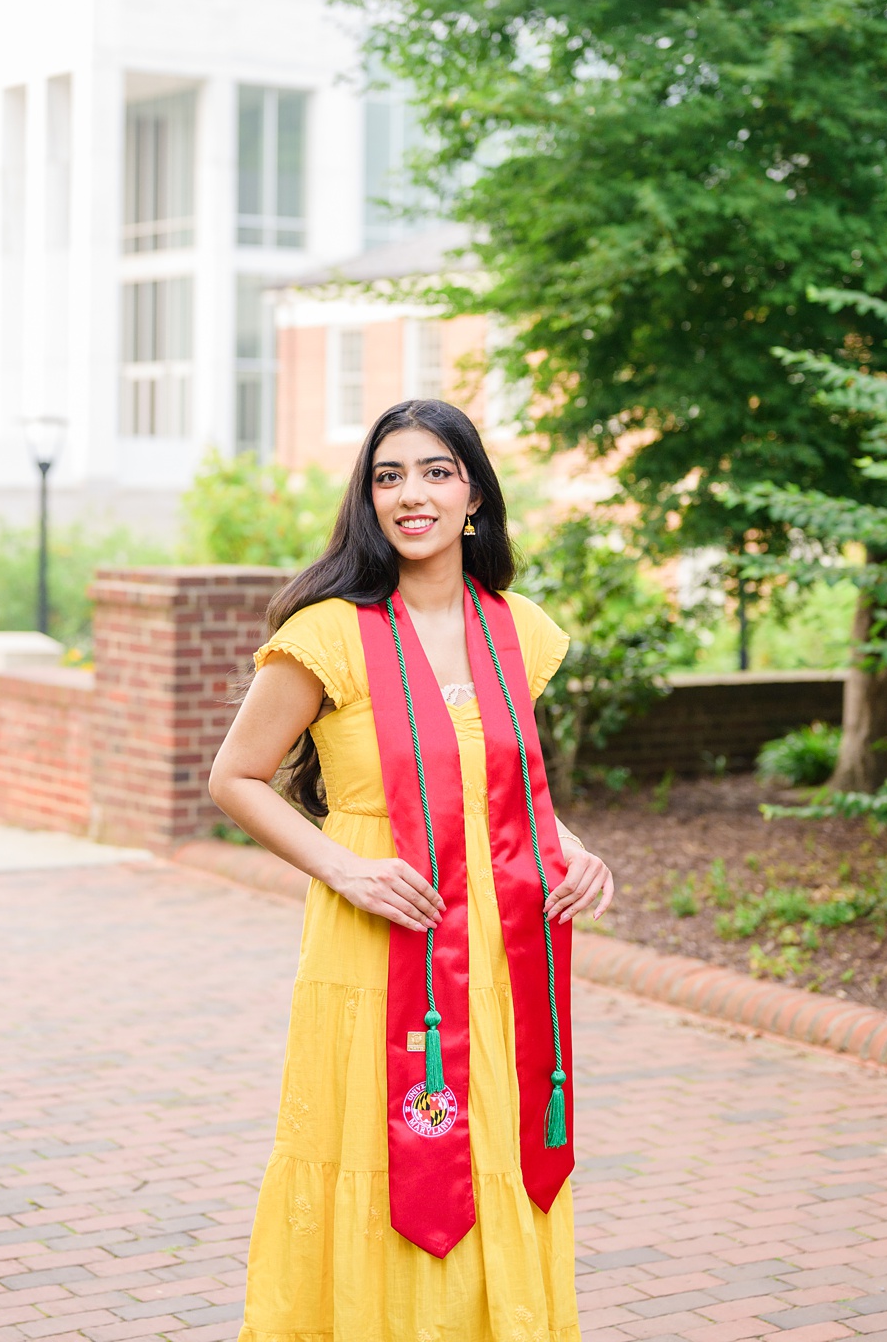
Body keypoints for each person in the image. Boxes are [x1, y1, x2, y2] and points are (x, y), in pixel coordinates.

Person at [209, 398, 617, 1342]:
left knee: (492, 1158)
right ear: (369, 501)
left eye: (436, 471)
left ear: (474, 492)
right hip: (376, 953)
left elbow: (506, 790)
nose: (411, 495)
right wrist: (344, 869)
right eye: (388, 477)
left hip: (505, 965)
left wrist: (577, 851)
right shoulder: (328, 634)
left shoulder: (521, 630)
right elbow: (235, 777)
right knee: (381, 1154)